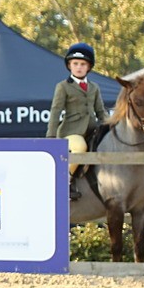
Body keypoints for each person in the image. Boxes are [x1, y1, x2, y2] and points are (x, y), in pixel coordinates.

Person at [46, 42, 106, 200]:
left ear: (89, 67)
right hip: (71, 131)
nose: (79, 67)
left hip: (92, 130)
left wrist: (111, 127)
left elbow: (100, 111)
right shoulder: (63, 86)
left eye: (83, 64)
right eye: (75, 63)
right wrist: (51, 137)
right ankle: (64, 181)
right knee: (80, 147)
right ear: (69, 66)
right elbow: (56, 111)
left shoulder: (94, 87)